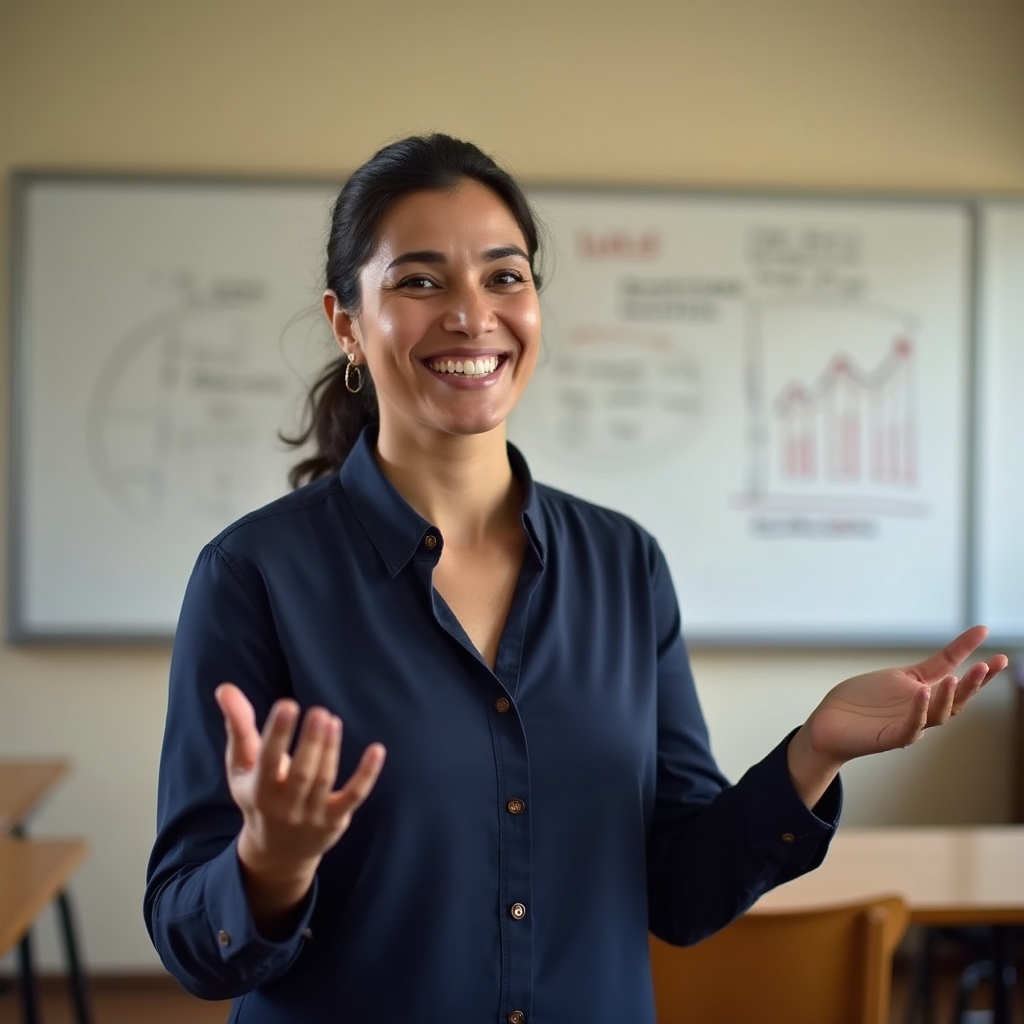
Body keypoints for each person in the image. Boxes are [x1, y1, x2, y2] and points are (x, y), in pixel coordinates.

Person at [144, 134, 1007, 1024]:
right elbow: (188, 939)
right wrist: (269, 868)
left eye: (505, 276)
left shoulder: (623, 565)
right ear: (346, 323)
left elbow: (678, 893)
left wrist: (811, 756)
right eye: (420, 280)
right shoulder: (255, 576)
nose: (472, 315)